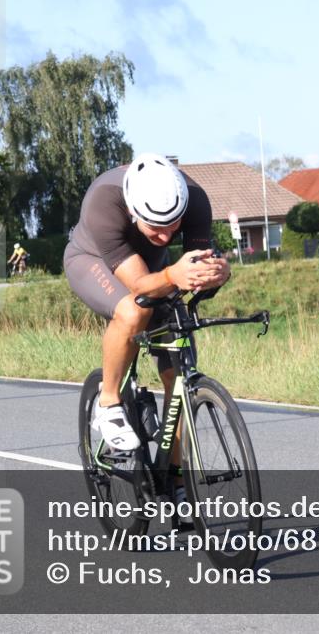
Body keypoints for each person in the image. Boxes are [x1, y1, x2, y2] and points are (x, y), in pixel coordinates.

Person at [64, 153, 230, 450]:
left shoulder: (196, 200)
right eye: (155, 226)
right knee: (133, 309)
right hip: (90, 261)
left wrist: (215, 276)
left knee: (180, 378)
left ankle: (177, 483)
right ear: (133, 211)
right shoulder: (105, 202)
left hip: (155, 269)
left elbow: (194, 269)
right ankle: (109, 402)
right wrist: (172, 274)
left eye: (173, 224)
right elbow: (141, 286)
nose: (166, 236)